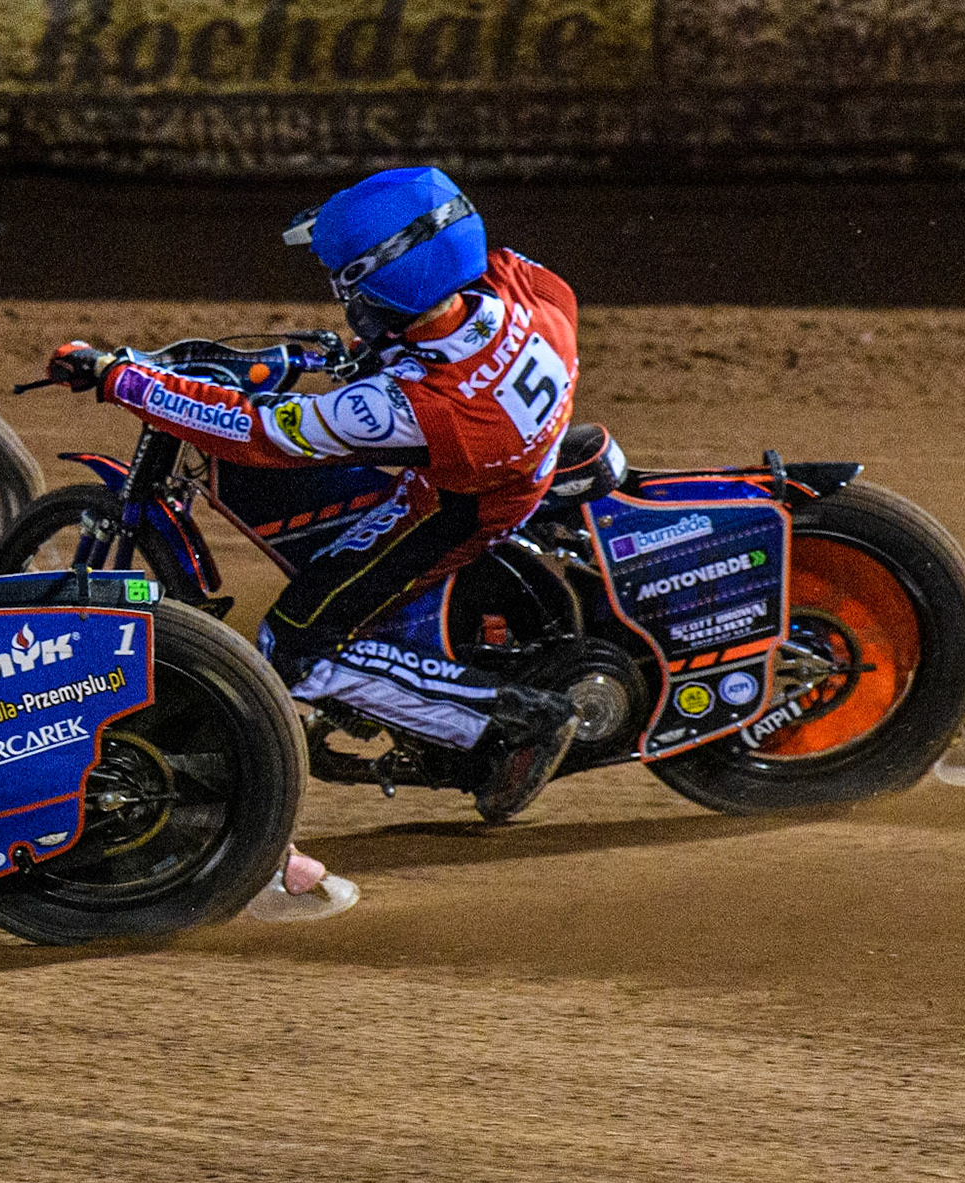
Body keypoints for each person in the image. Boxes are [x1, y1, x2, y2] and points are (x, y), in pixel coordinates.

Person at [45, 167, 583, 910]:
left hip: (459, 506)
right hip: (515, 448)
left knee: (293, 643)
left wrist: (122, 379)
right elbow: (417, 349)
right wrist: (326, 356)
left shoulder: (425, 408)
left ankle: (507, 719)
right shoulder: (525, 286)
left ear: (384, 282)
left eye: (344, 281)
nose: (340, 294)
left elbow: (259, 432)